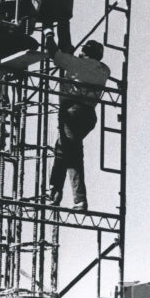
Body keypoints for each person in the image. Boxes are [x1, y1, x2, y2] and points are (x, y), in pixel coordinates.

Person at [45, 30, 110, 210]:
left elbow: (55, 55)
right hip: (89, 115)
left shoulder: (78, 64)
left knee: (71, 155)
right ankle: (54, 190)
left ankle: (78, 198)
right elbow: (81, 66)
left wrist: (48, 35)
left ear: (85, 52)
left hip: (73, 113)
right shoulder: (104, 70)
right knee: (63, 148)